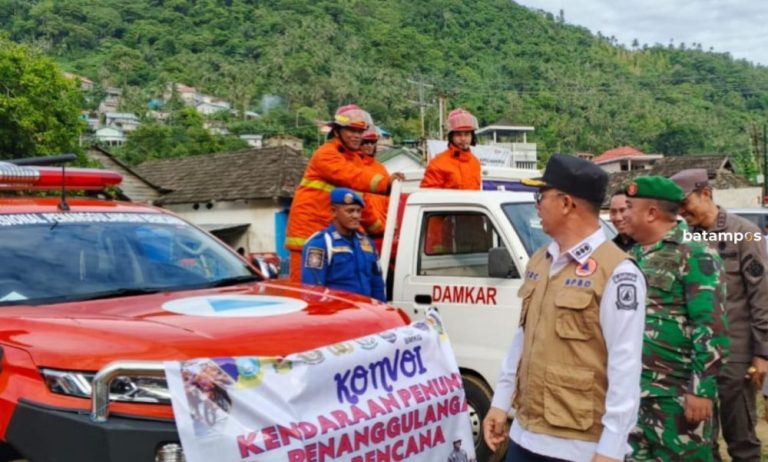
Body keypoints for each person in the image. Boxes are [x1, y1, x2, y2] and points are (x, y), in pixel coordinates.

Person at [482, 154, 647, 462]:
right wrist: (500, 403)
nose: (537, 205)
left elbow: (625, 368)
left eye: (540, 196)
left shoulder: (617, 272)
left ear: (567, 203)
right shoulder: (541, 260)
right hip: (524, 434)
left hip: (578, 446)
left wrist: (610, 450)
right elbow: (522, 338)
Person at [621, 176, 729, 461]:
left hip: (677, 397)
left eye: (630, 207)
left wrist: (702, 390)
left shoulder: (695, 253)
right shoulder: (632, 255)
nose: (622, 215)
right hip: (633, 392)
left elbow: (711, 326)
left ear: (652, 213)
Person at [670, 168, 768, 462]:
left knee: (742, 440)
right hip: (699, 357)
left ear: (706, 194)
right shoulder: (685, 239)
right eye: (677, 208)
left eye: (686, 204)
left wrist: (762, 352)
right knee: (701, 440)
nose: (682, 212)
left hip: (736, 354)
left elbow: (761, 294)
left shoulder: (745, 231)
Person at [286, 104, 394, 282]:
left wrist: (380, 230)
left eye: (360, 131)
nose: (357, 136)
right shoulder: (326, 154)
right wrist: (386, 184)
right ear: (337, 131)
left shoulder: (355, 160)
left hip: (337, 234)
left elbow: (362, 202)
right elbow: (351, 176)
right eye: (351, 130)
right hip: (309, 234)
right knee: (308, 292)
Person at [301, 188, 385, 301]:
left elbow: (377, 283)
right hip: (338, 315)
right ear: (334, 212)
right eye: (350, 211)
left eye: (358, 211)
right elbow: (313, 290)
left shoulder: (368, 243)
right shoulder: (320, 243)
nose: (356, 216)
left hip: (366, 313)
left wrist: (381, 309)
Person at [421, 108, 481, 190]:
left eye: (467, 134)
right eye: (458, 134)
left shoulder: (475, 163)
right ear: (451, 137)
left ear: (472, 136)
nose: (463, 138)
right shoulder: (438, 163)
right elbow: (427, 195)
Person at [358, 125, 401, 239]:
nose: (369, 146)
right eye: (366, 142)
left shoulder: (380, 167)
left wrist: (393, 221)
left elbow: (388, 198)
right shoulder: (353, 167)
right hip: (363, 230)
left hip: (383, 229)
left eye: (372, 142)